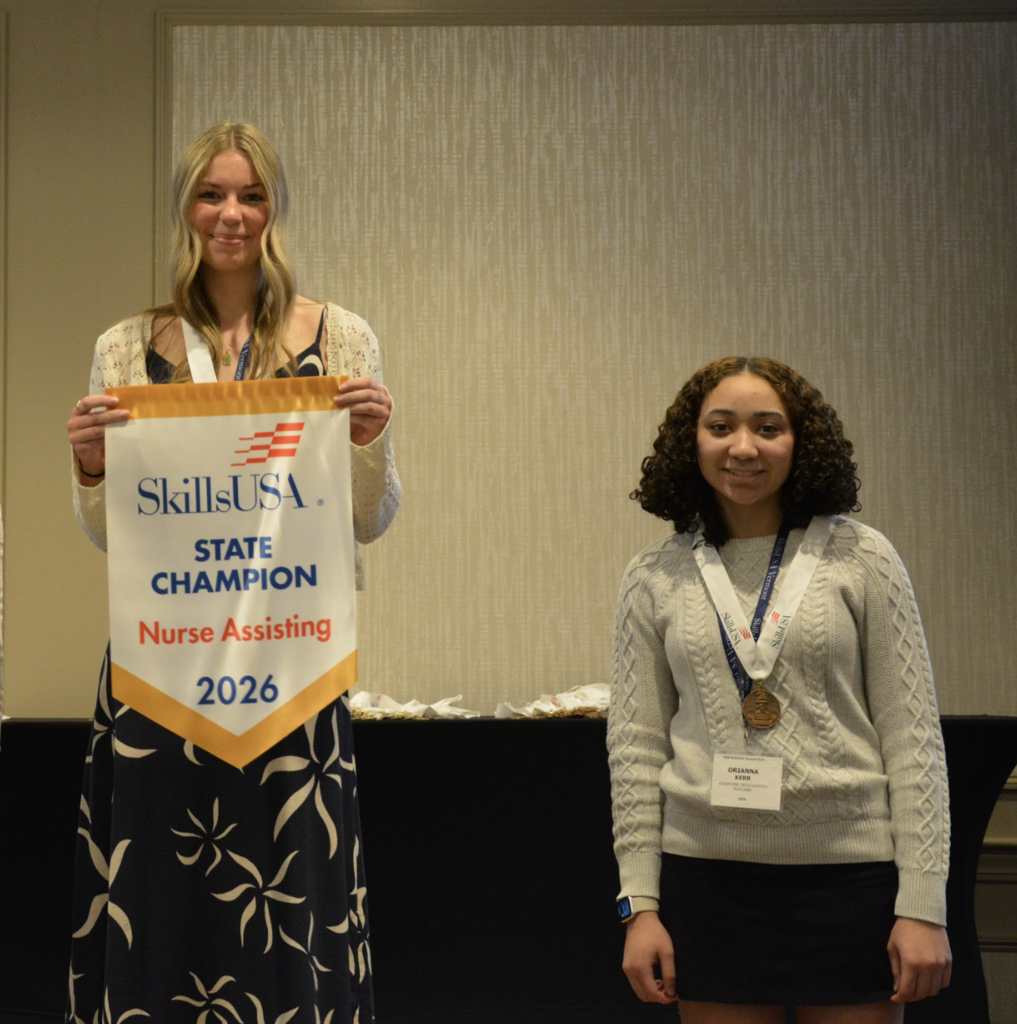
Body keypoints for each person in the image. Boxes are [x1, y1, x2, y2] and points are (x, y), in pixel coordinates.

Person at [65, 122, 399, 1022]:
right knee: (159, 901)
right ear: (185, 210)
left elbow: (369, 517)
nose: (231, 214)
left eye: (250, 195)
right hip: (159, 667)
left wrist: (366, 443)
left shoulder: (343, 337)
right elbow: (110, 535)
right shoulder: (128, 347)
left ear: (275, 208)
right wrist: (93, 467)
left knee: (294, 896)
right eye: (211, 195)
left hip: (292, 660)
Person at [607, 357, 950, 1023]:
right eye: (720, 426)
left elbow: (913, 742)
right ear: (692, 441)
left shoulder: (864, 559)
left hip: (851, 884)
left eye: (768, 427)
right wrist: (637, 906)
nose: (743, 447)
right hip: (705, 883)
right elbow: (634, 751)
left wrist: (922, 905)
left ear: (801, 442)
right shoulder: (653, 575)